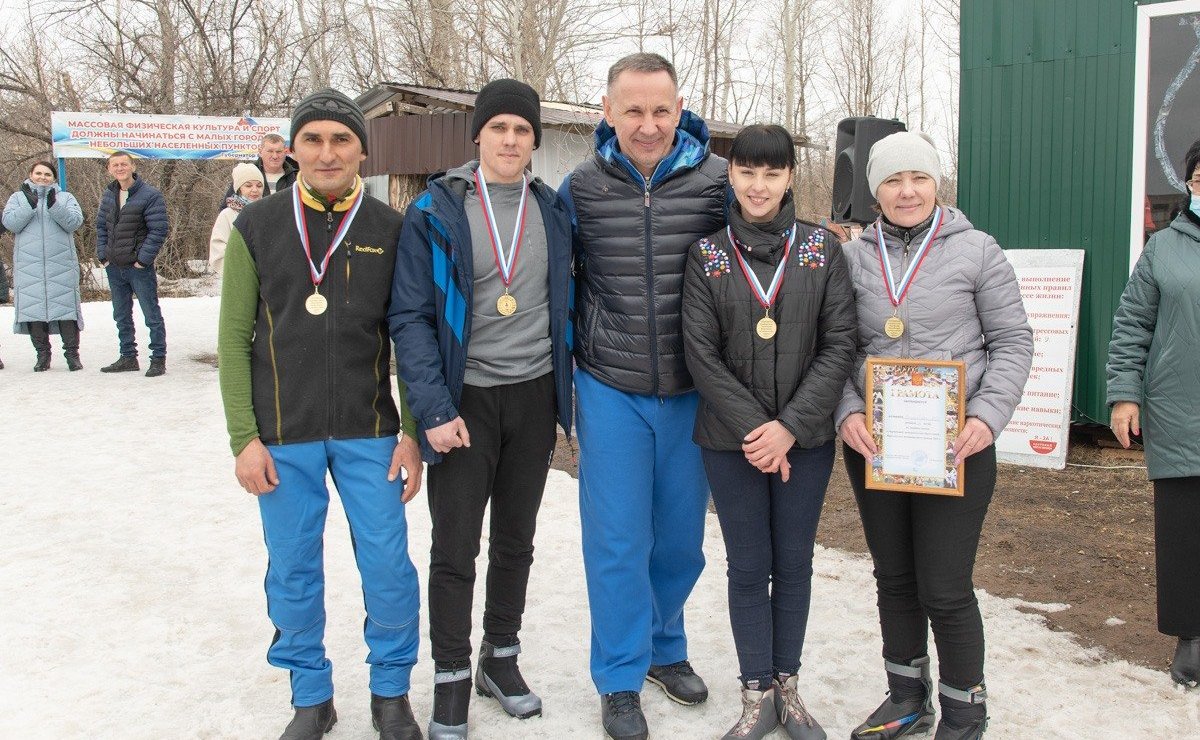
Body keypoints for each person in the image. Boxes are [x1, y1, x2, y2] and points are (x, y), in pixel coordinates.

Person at [217, 88, 424, 740]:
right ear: (292, 148)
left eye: (341, 139)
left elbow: (413, 340)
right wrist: (244, 438)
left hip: (371, 433)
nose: (327, 152)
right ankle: (311, 696)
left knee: (389, 567)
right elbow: (232, 339)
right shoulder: (257, 227)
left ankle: (390, 693)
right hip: (284, 437)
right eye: (313, 139)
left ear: (363, 148)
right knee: (293, 571)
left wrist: (413, 435)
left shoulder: (394, 230)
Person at [389, 78, 574, 739]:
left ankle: (501, 657)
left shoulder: (553, 210)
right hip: (461, 402)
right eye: (498, 127)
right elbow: (409, 318)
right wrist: (432, 409)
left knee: (517, 542)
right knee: (455, 546)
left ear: (534, 141)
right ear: (477, 134)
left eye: (522, 130)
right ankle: (449, 676)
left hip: (533, 394)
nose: (510, 139)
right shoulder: (436, 210)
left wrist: (566, 402)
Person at [835, 131, 1032, 740]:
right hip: (879, 446)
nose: (906, 191)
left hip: (958, 446)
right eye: (892, 181)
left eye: (917, 177)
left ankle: (965, 710)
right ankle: (906, 697)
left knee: (944, 585)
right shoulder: (853, 258)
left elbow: (1013, 343)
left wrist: (986, 419)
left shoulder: (977, 250)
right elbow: (836, 347)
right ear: (875, 192)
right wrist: (846, 412)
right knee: (894, 578)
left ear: (936, 182)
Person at [557, 52, 727, 740]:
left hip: (693, 390)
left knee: (681, 542)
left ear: (680, 107)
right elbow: (558, 284)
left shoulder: (718, 182)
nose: (649, 125)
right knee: (618, 540)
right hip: (611, 386)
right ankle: (620, 676)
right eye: (633, 110)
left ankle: (665, 648)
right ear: (607, 112)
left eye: (662, 110)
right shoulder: (580, 186)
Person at [682, 124, 857, 740]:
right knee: (749, 564)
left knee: (796, 562)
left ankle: (790, 685)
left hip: (804, 444)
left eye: (772, 173)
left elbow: (839, 347)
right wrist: (759, 429)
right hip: (729, 444)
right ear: (730, 175)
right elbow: (700, 355)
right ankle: (756, 692)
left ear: (788, 178)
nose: (759, 186)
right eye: (747, 172)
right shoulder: (706, 256)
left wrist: (788, 428)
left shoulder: (821, 251)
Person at [1108, 137, 1200, 689]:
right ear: (1190, 182)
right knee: (1186, 529)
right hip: (1182, 411)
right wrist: (1124, 393)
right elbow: (1132, 325)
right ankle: (1192, 635)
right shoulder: (1164, 248)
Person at [3, 161, 85, 371]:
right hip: (29, 266)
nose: (42, 177)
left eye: (47, 174)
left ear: (54, 178)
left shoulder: (65, 197)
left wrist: (54, 206)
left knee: (66, 310)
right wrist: (29, 207)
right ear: (30, 175)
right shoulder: (17, 198)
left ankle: (72, 355)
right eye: (38, 173)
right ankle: (42, 356)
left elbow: (74, 222)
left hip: (61, 264)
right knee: (34, 311)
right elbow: (10, 224)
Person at [96, 151, 168, 377]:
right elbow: (100, 227)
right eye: (115, 165)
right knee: (121, 314)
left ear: (132, 166)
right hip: (114, 267)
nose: (120, 168)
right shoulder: (109, 195)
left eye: (124, 164)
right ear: (109, 168)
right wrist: (103, 255)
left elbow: (158, 229)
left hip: (138, 268)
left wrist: (142, 259)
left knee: (151, 314)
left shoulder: (149, 195)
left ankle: (158, 358)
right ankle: (128, 356)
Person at [209, 162, 265, 274]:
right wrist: (241, 271)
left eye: (259, 185)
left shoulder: (268, 212)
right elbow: (218, 254)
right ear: (239, 189)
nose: (255, 190)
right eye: (248, 185)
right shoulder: (227, 215)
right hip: (238, 278)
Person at [219, 133, 298, 210]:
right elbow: (226, 208)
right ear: (260, 151)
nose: (275, 156)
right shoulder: (247, 174)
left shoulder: (298, 176)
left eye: (279, 152)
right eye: (270, 151)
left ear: (285, 152)